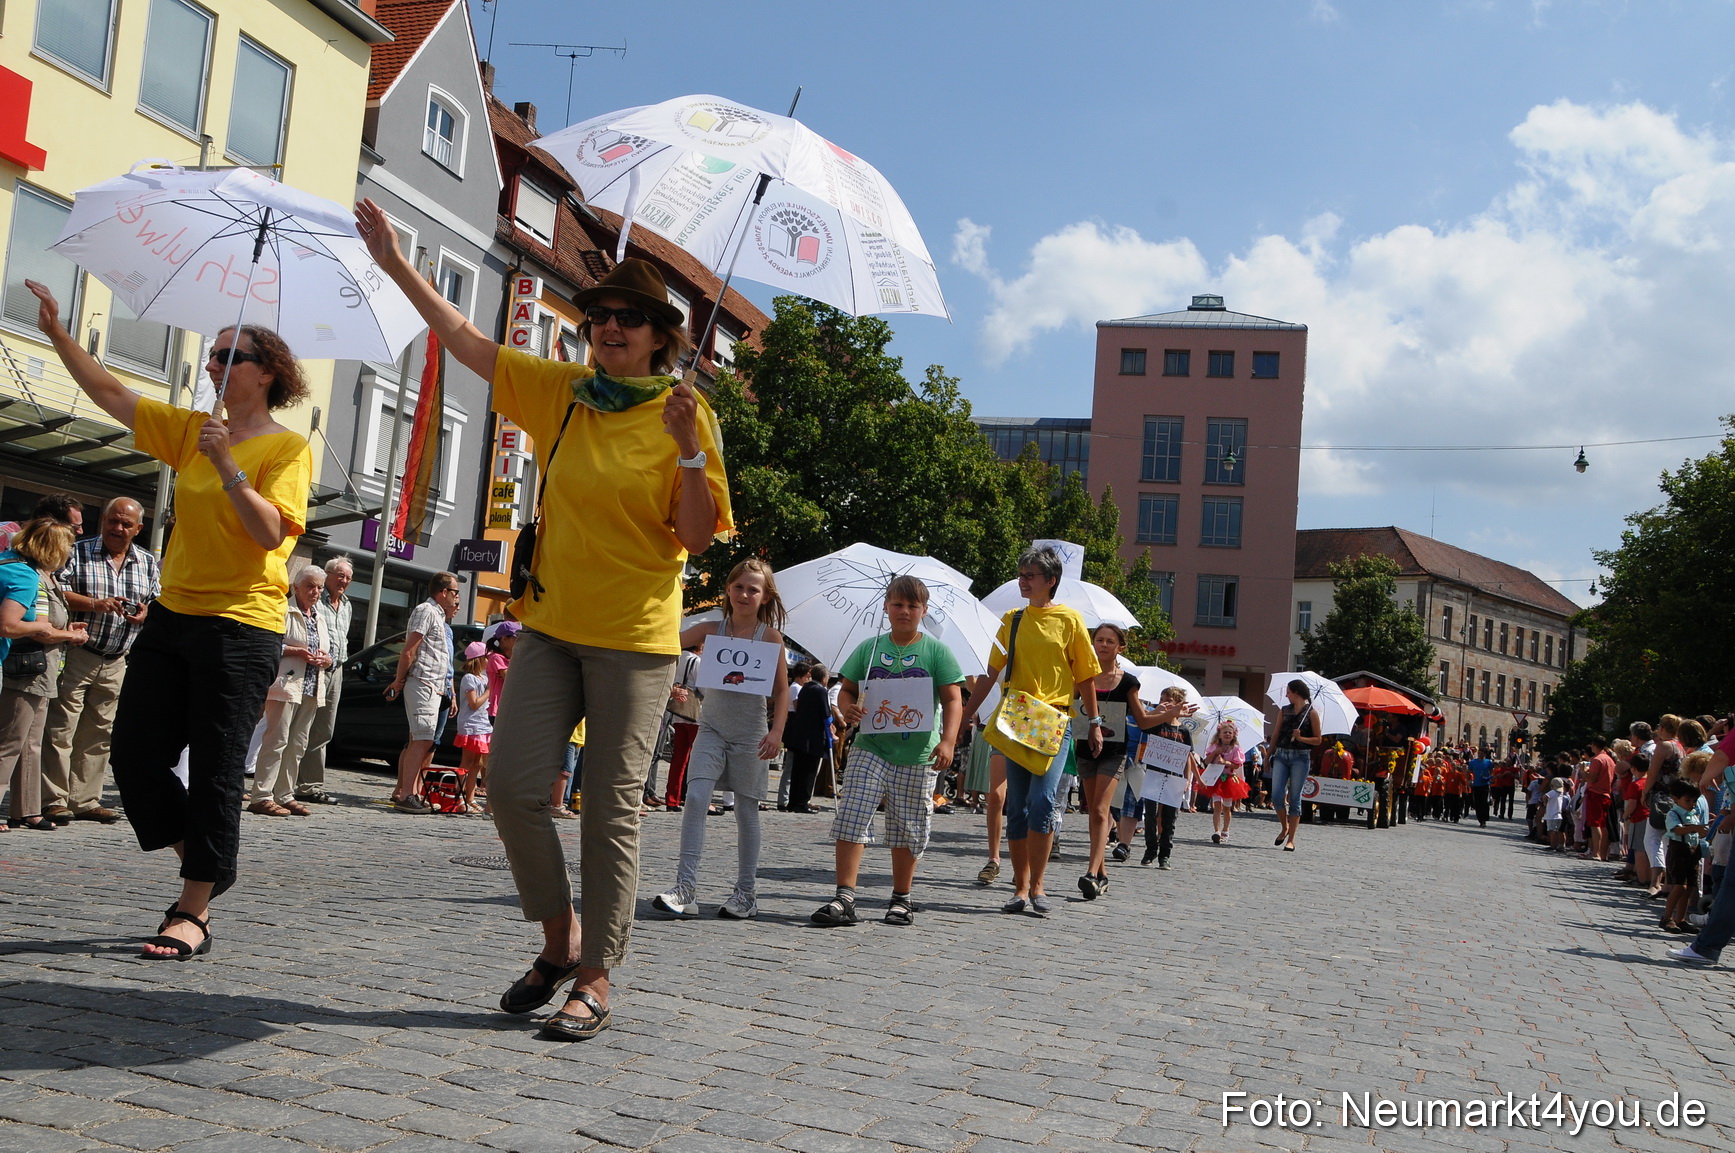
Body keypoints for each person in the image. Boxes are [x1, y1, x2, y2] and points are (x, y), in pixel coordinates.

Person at [361, 201, 731, 1039]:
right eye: (599, 315)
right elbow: (465, 338)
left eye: (626, 318)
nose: (608, 327)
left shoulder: (686, 413)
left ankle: (594, 975)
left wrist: (688, 454)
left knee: (610, 806)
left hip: (636, 639)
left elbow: (697, 534)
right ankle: (559, 936)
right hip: (553, 624)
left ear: (659, 336)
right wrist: (394, 262)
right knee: (516, 790)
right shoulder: (564, 392)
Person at [25, 278, 312, 959]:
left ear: (266, 372)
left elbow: (270, 533)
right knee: (135, 758)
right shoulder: (191, 429)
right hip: (174, 616)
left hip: (242, 627)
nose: (213, 365)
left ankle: (193, 907)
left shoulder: (285, 449)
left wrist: (225, 462)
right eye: (211, 356)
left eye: (228, 355)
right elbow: (112, 395)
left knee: (214, 769)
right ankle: (211, 859)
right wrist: (60, 333)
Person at [810, 575, 964, 927]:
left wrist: (948, 740)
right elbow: (846, 690)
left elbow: (954, 698)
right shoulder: (869, 649)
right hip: (870, 747)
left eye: (912, 606)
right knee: (851, 815)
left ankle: (901, 897)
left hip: (918, 754)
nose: (905, 611)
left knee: (908, 826)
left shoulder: (936, 651)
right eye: (898, 604)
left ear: (923, 611)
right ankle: (844, 896)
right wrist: (848, 709)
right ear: (886, 607)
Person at [958, 546, 1101, 917]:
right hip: (1016, 721)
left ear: (1050, 581)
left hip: (1055, 722)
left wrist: (1094, 724)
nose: (1022, 581)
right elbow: (990, 674)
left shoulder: (1070, 621)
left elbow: (1085, 676)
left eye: (1030, 575)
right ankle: (1021, 888)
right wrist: (964, 715)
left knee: (1043, 802)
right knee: (1016, 807)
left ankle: (1039, 884)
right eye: (1021, 574)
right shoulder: (1012, 619)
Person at [652, 559, 789, 920]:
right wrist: (672, 682)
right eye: (739, 586)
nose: (745, 594)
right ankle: (685, 888)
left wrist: (776, 732)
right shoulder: (710, 629)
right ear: (728, 589)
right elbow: (665, 645)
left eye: (753, 589)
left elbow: (781, 689)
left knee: (746, 811)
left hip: (751, 735)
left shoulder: (770, 637)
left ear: (765, 596)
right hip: (710, 729)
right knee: (695, 797)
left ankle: (746, 893)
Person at [41, 496, 158, 824]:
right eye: (112, 521)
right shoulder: (77, 551)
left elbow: (154, 600)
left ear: (138, 528)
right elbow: (57, 591)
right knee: (61, 728)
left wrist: (147, 612)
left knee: (99, 733)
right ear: (102, 520)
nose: (117, 529)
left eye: (125, 524)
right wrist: (94, 604)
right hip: (80, 653)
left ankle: (85, 799)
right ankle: (54, 799)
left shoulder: (147, 562)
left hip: (117, 659)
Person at [1, 518, 89, 830]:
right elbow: (37, 628)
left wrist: (62, 631)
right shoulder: (29, 576)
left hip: (38, 670)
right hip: (27, 668)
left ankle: (26, 809)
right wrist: (70, 636)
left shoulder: (29, 571)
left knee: (31, 741)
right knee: (11, 740)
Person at [1071, 624, 1157, 898]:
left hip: (1114, 752)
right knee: (1094, 814)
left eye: (1110, 641)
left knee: (1099, 810)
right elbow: (1069, 705)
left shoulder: (1128, 681)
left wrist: (1171, 714)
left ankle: (1090, 872)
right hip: (1085, 750)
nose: (1104, 645)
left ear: (1120, 647)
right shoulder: (1081, 675)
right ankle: (1103, 874)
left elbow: (1142, 720)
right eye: (1099, 640)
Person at [248, 566, 332, 815]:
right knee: (276, 740)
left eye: (319, 587)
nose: (315, 591)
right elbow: (270, 644)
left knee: (297, 744)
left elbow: (328, 652)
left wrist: (326, 660)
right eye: (310, 586)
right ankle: (261, 795)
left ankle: (284, 794)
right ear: (296, 587)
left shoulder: (319, 615)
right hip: (286, 684)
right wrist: (297, 651)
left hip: (311, 686)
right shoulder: (285, 610)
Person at [385, 572, 460, 813]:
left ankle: (411, 792)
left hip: (434, 685)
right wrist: (398, 681)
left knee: (423, 739)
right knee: (421, 738)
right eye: (455, 592)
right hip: (423, 681)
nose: (458, 597)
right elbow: (409, 650)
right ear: (444, 592)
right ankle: (406, 793)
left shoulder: (439, 616)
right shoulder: (426, 611)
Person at [294, 556, 353, 806]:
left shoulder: (347, 604)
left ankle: (310, 785)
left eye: (348, 578)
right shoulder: (316, 600)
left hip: (336, 670)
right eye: (340, 575)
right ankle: (286, 782)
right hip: (312, 668)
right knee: (300, 726)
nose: (344, 581)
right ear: (327, 575)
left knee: (324, 730)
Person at [1269, 679, 1323, 852]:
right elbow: (1276, 733)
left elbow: (1318, 740)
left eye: (1289, 692)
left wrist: (1301, 738)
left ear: (1297, 693)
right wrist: (1268, 754)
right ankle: (1284, 827)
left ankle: (1291, 839)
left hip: (1300, 757)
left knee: (1294, 798)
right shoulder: (1284, 711)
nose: (1286, 695)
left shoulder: (1311, 713)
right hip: (1281, 754)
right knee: (1277, 795)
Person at [785, 661, 831, 813]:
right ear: (824, 677)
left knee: (797, 771)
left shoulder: (805, 689)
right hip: (813, 737)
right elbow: (826, 714)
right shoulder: (821, 691)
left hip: (800, 734)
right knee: (809, 772)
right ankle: (802, 803)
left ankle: (793, 802)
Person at [659, 642, 701, 810]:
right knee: (698, 758)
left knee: (678, 758)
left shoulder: (678, 657)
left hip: (679, 712)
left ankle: (672, 798)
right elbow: (703, 688)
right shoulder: (696, 661)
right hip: (694, 714)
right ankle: (695, 797)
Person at [455, 642, 492, 814]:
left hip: (483, 726)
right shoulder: (469, 678)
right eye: (486, 657)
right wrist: (489, 691)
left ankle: (470, 797)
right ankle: (460, 796)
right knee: (467, 762)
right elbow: (474, 703)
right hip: (471, 726)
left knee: (477, 764)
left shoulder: (484, 678)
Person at [1201, 720, 1250, 844]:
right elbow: (1206, 762)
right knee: (1217, 805)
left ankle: (1225, 830)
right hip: (1216, 779)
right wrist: (1215, 753)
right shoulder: (1214, 747)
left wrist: (1225, 762)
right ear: (1219, 734)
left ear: (1233, 735)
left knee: (1227, 808)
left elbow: (1236, 765)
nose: (1227, 734)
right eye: (1225, 732)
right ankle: (1216, 831)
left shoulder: (1236, 749)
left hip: (1228, 780)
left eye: (1229, 732)